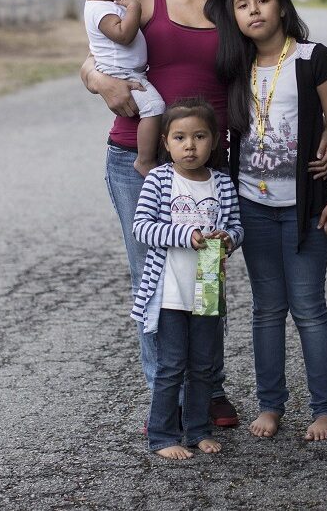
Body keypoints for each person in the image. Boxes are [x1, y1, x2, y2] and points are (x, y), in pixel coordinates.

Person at [81, 0, 257, 428]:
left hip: (211, 163)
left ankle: (209, 390)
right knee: (156, 278)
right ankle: (169, 398)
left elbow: (282, 58)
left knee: (206, 275)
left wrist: (321, 129)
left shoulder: (237, 3)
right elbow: (94, 57)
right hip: (138, 154)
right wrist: (102, 82)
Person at [216, 0, 327, 442]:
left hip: (306, 209)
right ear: (233, 18)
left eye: (262, 0)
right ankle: (270, 405)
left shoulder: (314, 58)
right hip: (252, 206)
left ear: (281, 5)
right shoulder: (235, 68)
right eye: (242, 4)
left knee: (309, 306)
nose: (254, 10)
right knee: (267, 309)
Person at [130, 98, 243, 459]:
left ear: (214, 141)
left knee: (203, 367)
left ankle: (196, 431)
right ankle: (163, 436)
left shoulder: (222, 184)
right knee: (171, 366)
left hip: (208, 287)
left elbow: (237, 227)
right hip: (168, 293)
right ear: (166, 142)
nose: (190, 145)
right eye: (180, 137)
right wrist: (186, 236)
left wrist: (229, 239)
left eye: (199, 136)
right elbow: (142, 228)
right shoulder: (160, 179)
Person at [74, 0, 163, 176]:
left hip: (129, 71)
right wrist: (134, 7)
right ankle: (144, 160)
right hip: (122, 74)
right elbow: (123, 35)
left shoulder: (107, 5)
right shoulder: (99, 10)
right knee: (154, 107)